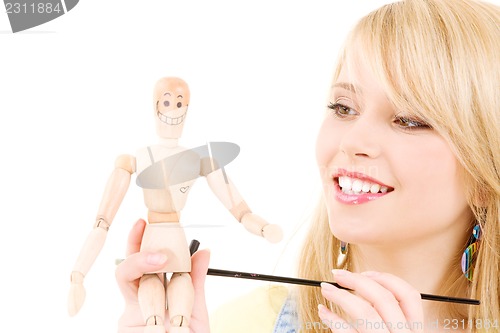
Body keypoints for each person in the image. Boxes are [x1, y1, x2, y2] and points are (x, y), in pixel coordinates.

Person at [115, 0, 500, 332]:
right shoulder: (241, 325)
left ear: (486, 169)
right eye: (344, 108)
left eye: (409, 120)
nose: (351, 141)